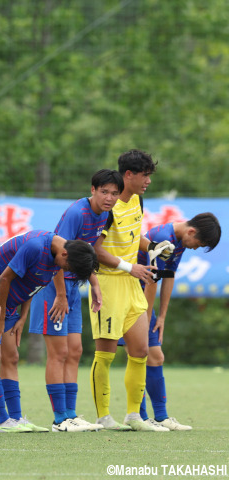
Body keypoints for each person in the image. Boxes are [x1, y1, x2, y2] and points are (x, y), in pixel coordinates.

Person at [29, 169, 123, 432]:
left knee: (75, 351)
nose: (109, 197)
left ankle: (71, 414)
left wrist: (94, 284)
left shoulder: (106, 214)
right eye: (104, 191)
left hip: (73, 287)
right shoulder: (76, 213)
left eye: (115, 193)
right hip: (54, 287)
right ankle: (60, 419)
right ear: (93, 189)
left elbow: (87, 255)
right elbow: (58, 253)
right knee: (58, 353)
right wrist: (60, 294)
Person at [0, 231, 98, 433]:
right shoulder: (36, 247)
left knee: (12, 357)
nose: (65, 271)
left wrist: (22, 316)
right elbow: (3, 279)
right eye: (68, 267)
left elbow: (32, 283)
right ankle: (2, 421)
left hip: (10, 304)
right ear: (64, 255)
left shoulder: (58, 257)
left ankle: (15, 419)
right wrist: (0, 320)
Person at [89, 149, 170, 431]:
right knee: (106, 354)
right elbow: (94, 250)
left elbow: (135, 238)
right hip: (108, 283)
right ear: (129, 175)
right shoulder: (107, 207)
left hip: (132, 283)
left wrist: (154, 247)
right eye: (145, 175)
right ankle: (103, 417)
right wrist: (128, 267)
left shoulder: (137, 199)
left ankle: (134, 416)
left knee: (141, 350)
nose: (148, 180)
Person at [121, 212, 221, 431]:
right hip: (129, 297)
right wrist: (146, 318)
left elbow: (168, 276)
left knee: (155, 357)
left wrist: (162, 317)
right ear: (191, 231)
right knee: (138, 355)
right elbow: (152, 279)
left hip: (144, 299)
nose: (196, 247)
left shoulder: (179, 241)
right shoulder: (162, 238)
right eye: (199, 243)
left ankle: (160, 417)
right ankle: (140, 417)